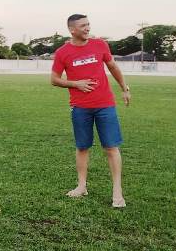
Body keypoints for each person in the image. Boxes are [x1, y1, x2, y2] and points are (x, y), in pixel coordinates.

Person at [51, 14, 131, 208]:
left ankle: (117, 192)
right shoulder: (63, 52)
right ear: (72, 30)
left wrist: (124, 88)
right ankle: (81, 187)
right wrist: (75, 84)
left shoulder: (100, 45)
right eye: (83, 26)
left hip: (105, 105)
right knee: (82, 147)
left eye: (88, 24)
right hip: (80, 108)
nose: (87, 28)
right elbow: (54, 79)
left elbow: (112, 66)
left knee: (111, 147)